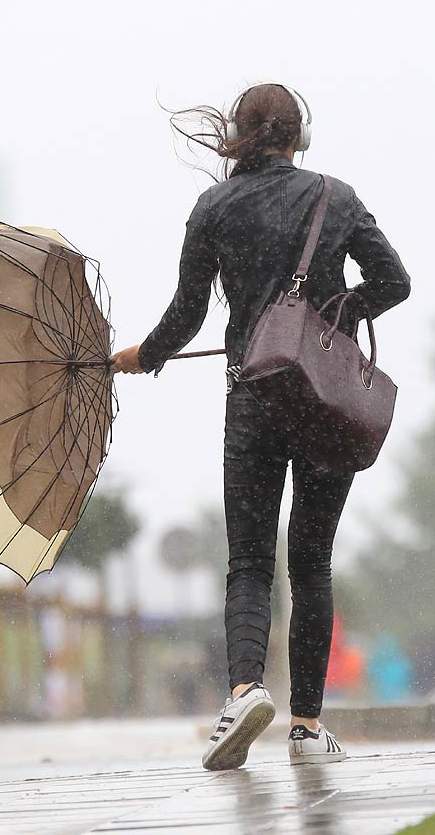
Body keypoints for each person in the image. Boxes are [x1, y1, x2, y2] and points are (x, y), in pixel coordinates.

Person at [111, 82, 411, 770]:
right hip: (324, 403)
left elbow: (187, 313)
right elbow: (393, 282)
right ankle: (306, 725)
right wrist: (334, 315)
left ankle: (245, 690)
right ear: (297, 137)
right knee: (311, 562)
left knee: (249, 561)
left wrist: (145, 357)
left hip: (252, 396)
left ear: (238, 136)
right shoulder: (335, 197)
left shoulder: (214, 207)